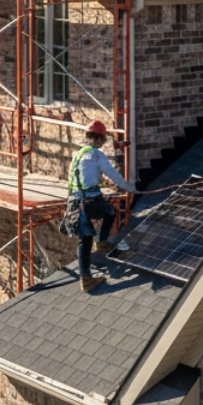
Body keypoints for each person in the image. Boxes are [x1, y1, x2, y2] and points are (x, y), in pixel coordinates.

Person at [68, 120, 134, 292]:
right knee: (86, 238)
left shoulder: (78, 154)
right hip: (89, 200)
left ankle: (102, 242)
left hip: (74, 200)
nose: (103, 144)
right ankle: (86, 279)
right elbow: (114, 175)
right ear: (98, 139)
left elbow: (84, 176)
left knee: (110, 212)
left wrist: (100, 180)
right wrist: (130, 189)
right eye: (103, 141)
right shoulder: (96, 155)